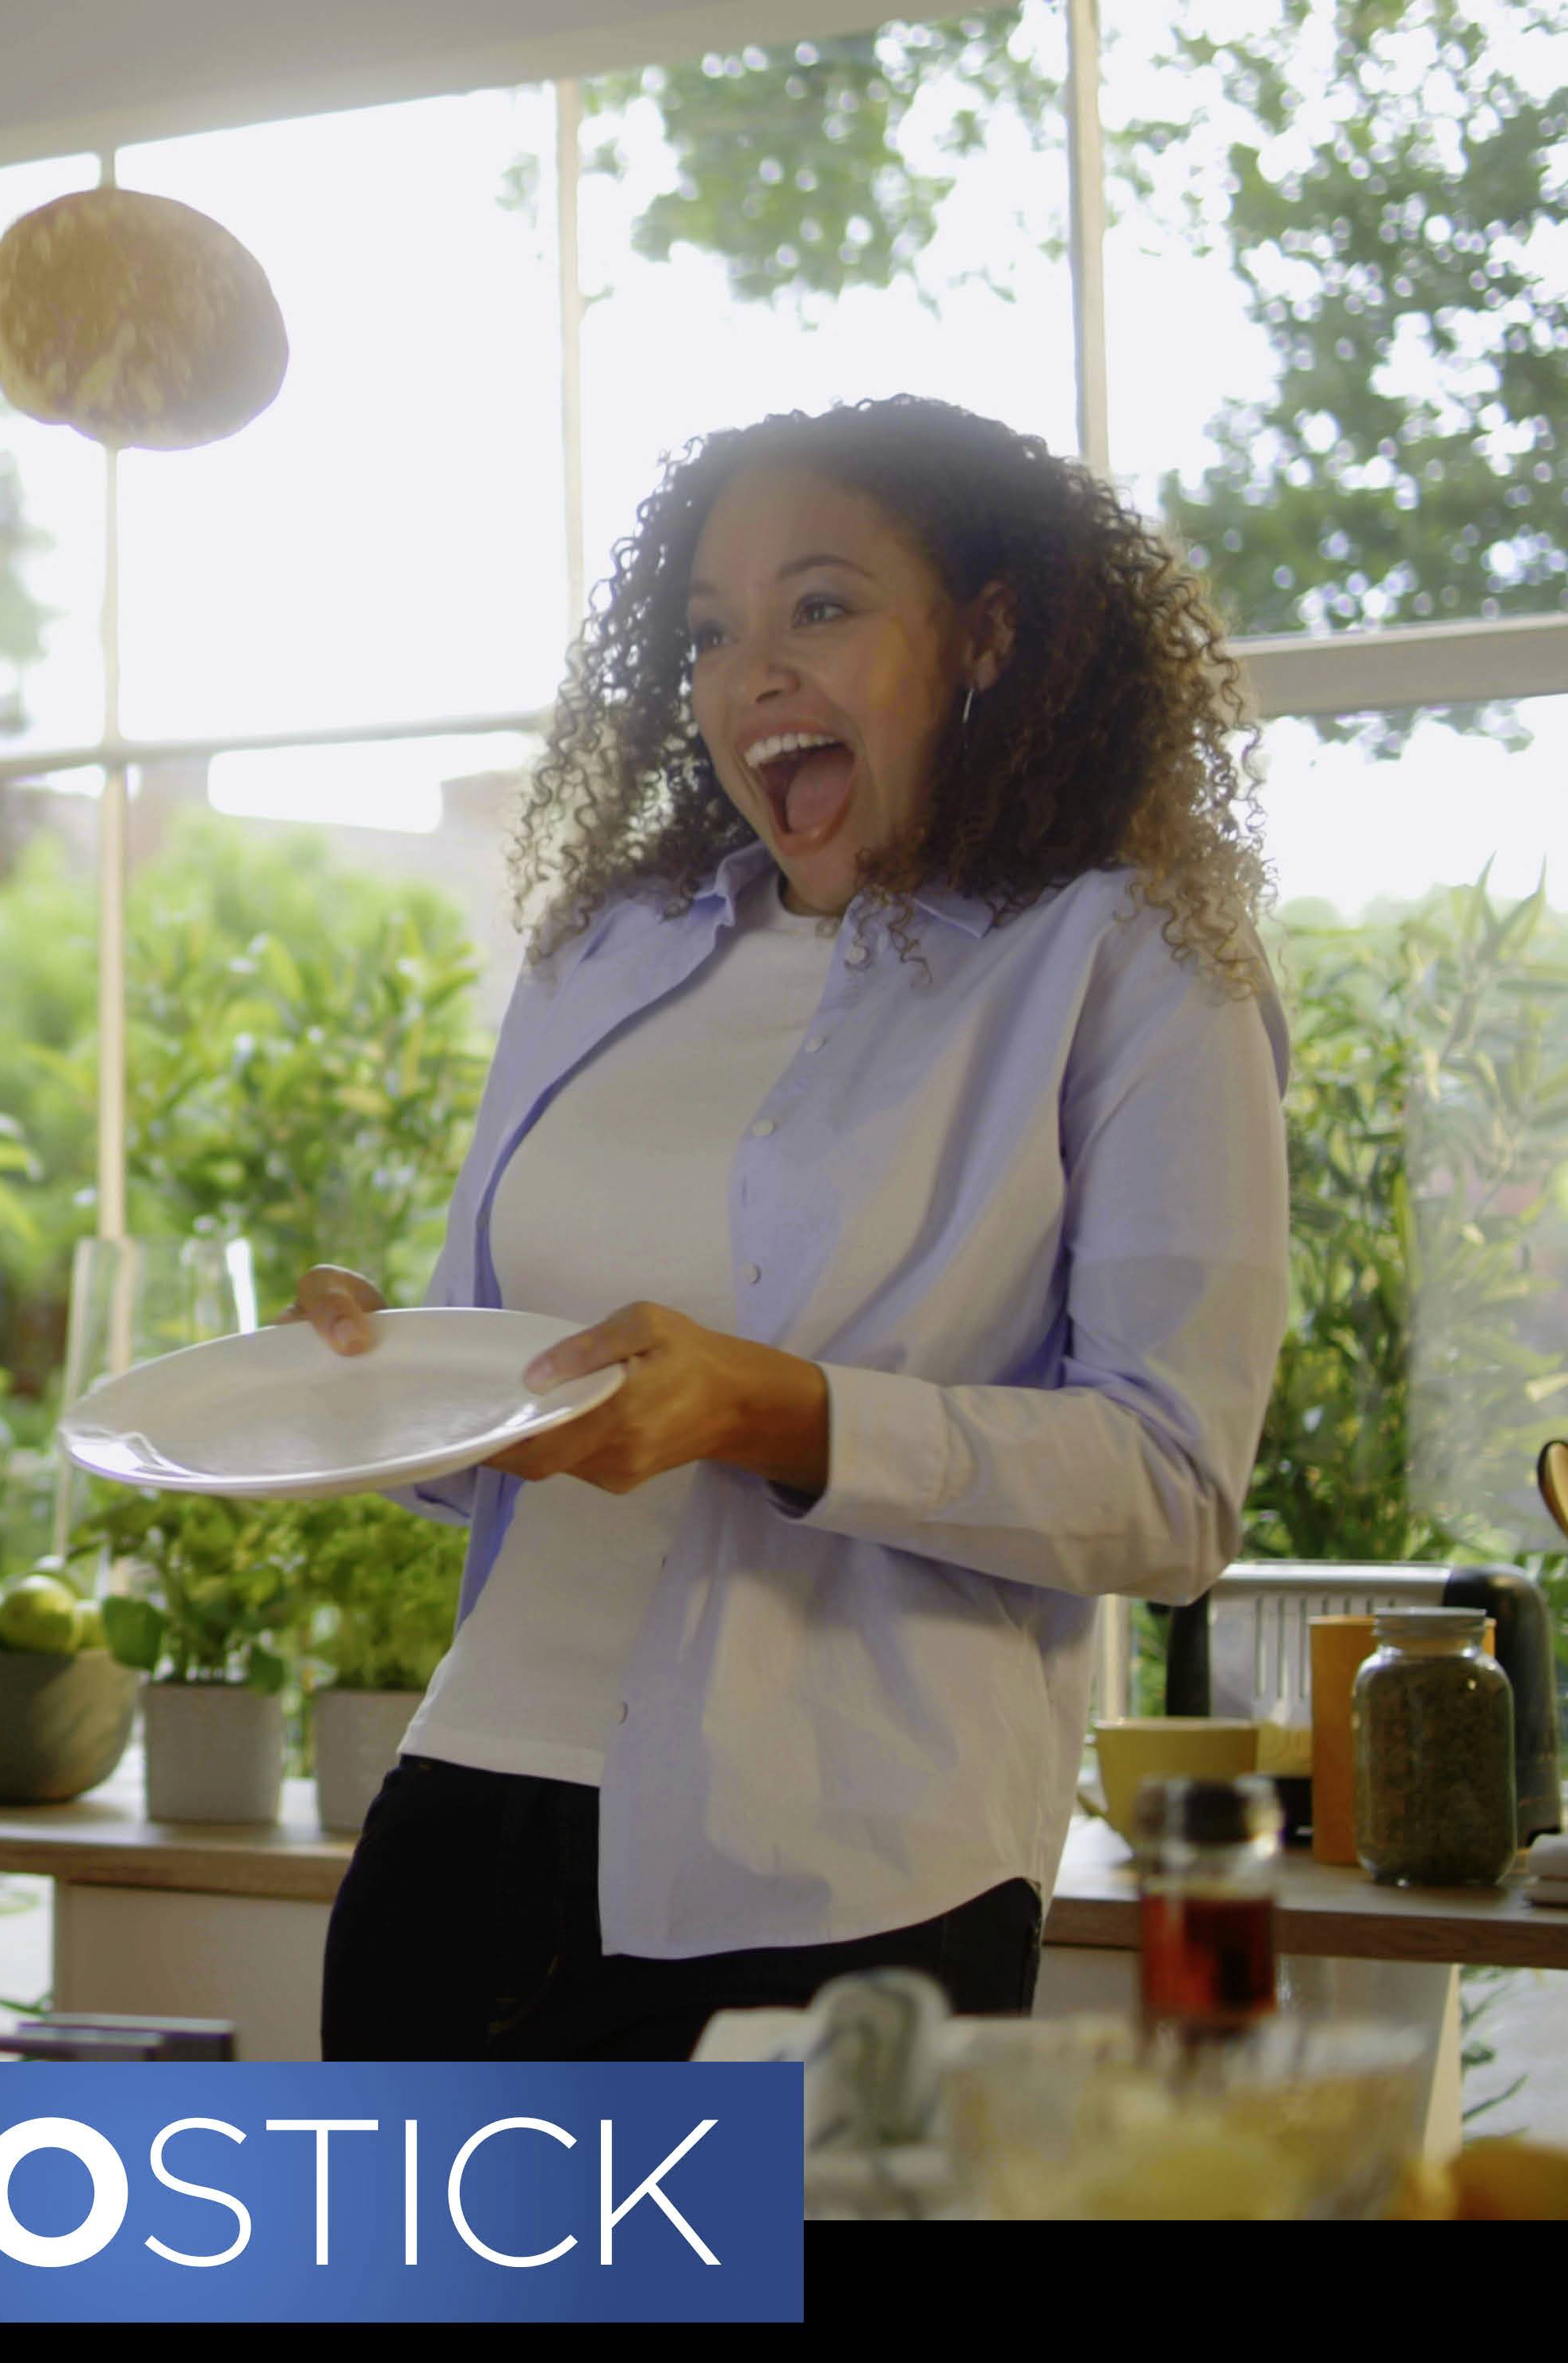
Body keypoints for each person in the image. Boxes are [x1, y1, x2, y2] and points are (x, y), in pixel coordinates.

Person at [296, 394, 1291, 2062]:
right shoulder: (598, 955)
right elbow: (506, 1417)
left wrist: (781, 1413)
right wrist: (380, 1374)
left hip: (843, 1898)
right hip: (462, 1837)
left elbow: (1172, 1493)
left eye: (820, 606)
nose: (751, 675)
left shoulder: (1124, 969)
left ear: (989, 633)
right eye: (709, 631)